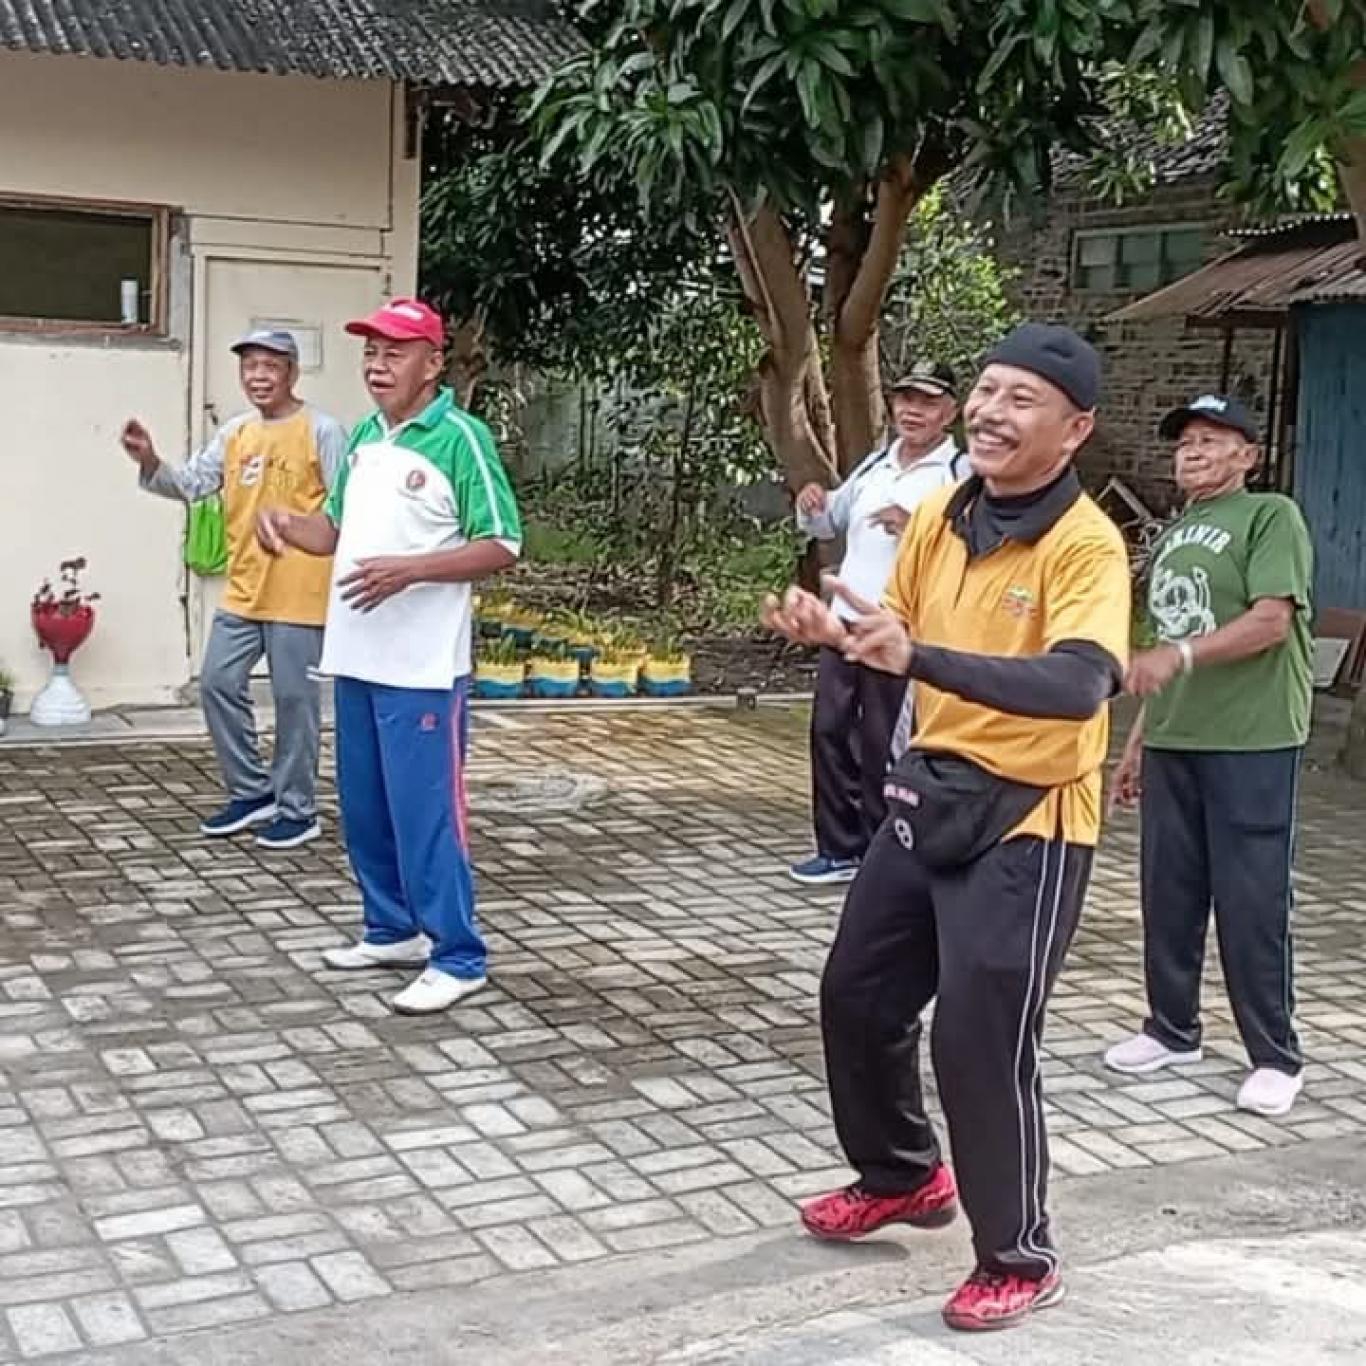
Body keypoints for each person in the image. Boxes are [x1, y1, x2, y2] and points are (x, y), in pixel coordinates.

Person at [762, 323, 1130, 1332]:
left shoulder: (1084, 543)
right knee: (857, 995)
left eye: (1022, 399)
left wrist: (916, 659)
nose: (991, 412)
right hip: (929, 794)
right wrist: (838, 633)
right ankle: (902, 1175)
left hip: (1030, 817)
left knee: (980, 1039)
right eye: (988, 390)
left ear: (1075, 429)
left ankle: (1018, 1254)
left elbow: (1079, 683)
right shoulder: (940, 514)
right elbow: (895, 631)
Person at [256, 298, 521, 1016]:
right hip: (357, 660)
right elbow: (333, 530)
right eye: (370, 352)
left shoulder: (461, 439)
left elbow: (502, 542)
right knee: (367, 811)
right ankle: (391, 929)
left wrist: (411, 570)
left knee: (426, 816)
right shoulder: (368, 438)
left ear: (432, 364)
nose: (377, 365)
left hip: (423, 672)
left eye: (394, 352)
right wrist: (286, 522)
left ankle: (458, 956)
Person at [1104, 394, 1313, 1118]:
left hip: (1252, 738)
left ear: (1248, 456)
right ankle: (1171, 1028)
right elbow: (1167, 642)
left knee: (1251, 898)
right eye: (1185, 441)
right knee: (1169, 892)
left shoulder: (1270, 516)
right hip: (1176, 739)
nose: (1192, 451)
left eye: (1211, 440)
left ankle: (1275, 1056)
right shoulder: (1177, 530)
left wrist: (1180, 657)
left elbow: (1270, 622)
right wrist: (1137, 741)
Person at [121, 329, 346, 850]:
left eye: (270, 366)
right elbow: (191, 484)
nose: (258, 377)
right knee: (218, 684)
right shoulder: (236, 433)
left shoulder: (323, 430)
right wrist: (149, 460)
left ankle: (298, 809)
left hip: (300, 592)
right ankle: (252, 791)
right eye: (250, 367)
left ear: (292, 372)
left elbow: (344, 508)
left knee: (294, 702)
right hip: (245, 589)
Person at [789, 362, 965, 885]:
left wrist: (915, 528)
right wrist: (812, 504)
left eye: (928, 402)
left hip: (902, 633)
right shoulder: (875, 465)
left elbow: (976, 550)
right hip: (842, 627)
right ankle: (838, 848)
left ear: (951, 412)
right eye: (906, 399)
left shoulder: (960, 474)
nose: (914, 411)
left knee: (883, 741)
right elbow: (830, 521)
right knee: (829, 731)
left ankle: (882, 852)